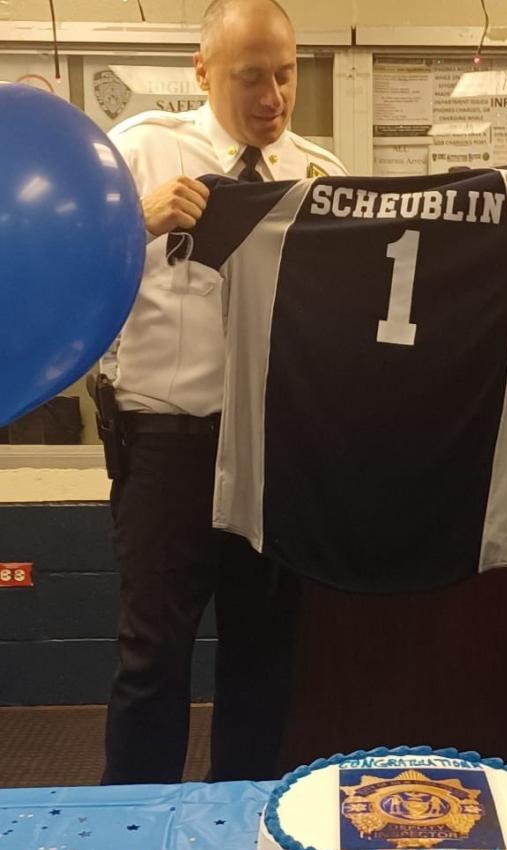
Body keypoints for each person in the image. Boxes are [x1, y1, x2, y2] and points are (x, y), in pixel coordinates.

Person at [101, 0, 347, 784]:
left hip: (274, 451)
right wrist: (134, 223)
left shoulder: (320, 176)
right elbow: (63, 266)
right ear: (203, 73)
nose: (273, 98)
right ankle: (131, 831)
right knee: (153, 658)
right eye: (250, 78)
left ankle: (241, 826)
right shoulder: (139, 150)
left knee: (263, 658)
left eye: (286, 75)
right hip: (166, 446)